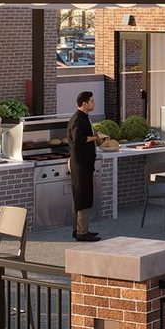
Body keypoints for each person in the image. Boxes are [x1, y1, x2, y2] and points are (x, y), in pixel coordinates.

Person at [68, 91, 101, 242]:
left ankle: (79, 229)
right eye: (91, 101)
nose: (94, 103)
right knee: (83, 196)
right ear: (84, 104)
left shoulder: (83, 117)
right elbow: (78, 138)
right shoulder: (78, 119)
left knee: (81, 196)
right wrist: (95, 138)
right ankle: (82, 232)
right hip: (81, 165)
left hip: (84, 164)